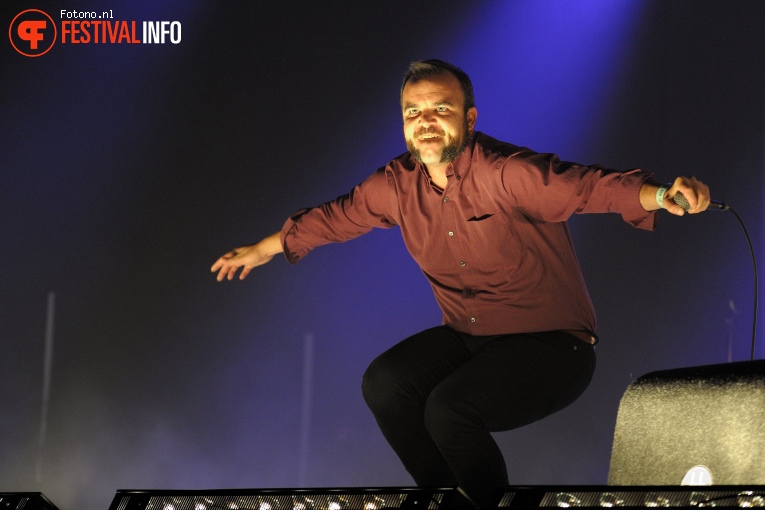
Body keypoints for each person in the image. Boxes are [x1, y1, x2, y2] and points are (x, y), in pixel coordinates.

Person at [211, 59, 711, 508]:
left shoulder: (506, 172)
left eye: (440, 109)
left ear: (469, 119)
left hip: (555, 348)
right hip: (473, 337)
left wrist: (661, 193)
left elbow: (584, 186)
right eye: (413, 113)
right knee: (386, 384)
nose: (425, 123)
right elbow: (338, 216)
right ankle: (445, 501)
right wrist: (263, 249)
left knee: (448, 410)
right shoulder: (395, 185)